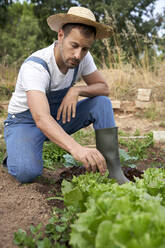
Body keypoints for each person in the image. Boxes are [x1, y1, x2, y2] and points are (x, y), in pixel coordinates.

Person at [3, 6, 129, 184]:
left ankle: (114, 172)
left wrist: (76, 90)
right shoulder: (36, 66)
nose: (78, 55)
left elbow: (103, 87)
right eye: (74, 46)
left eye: (85, 49)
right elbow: (40, 118)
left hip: (58, 116)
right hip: (26, 122)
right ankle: (16, 152)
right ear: (60, 36)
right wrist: (77, 149)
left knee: (101, 103)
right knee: (26, 172)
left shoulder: (83, 57)